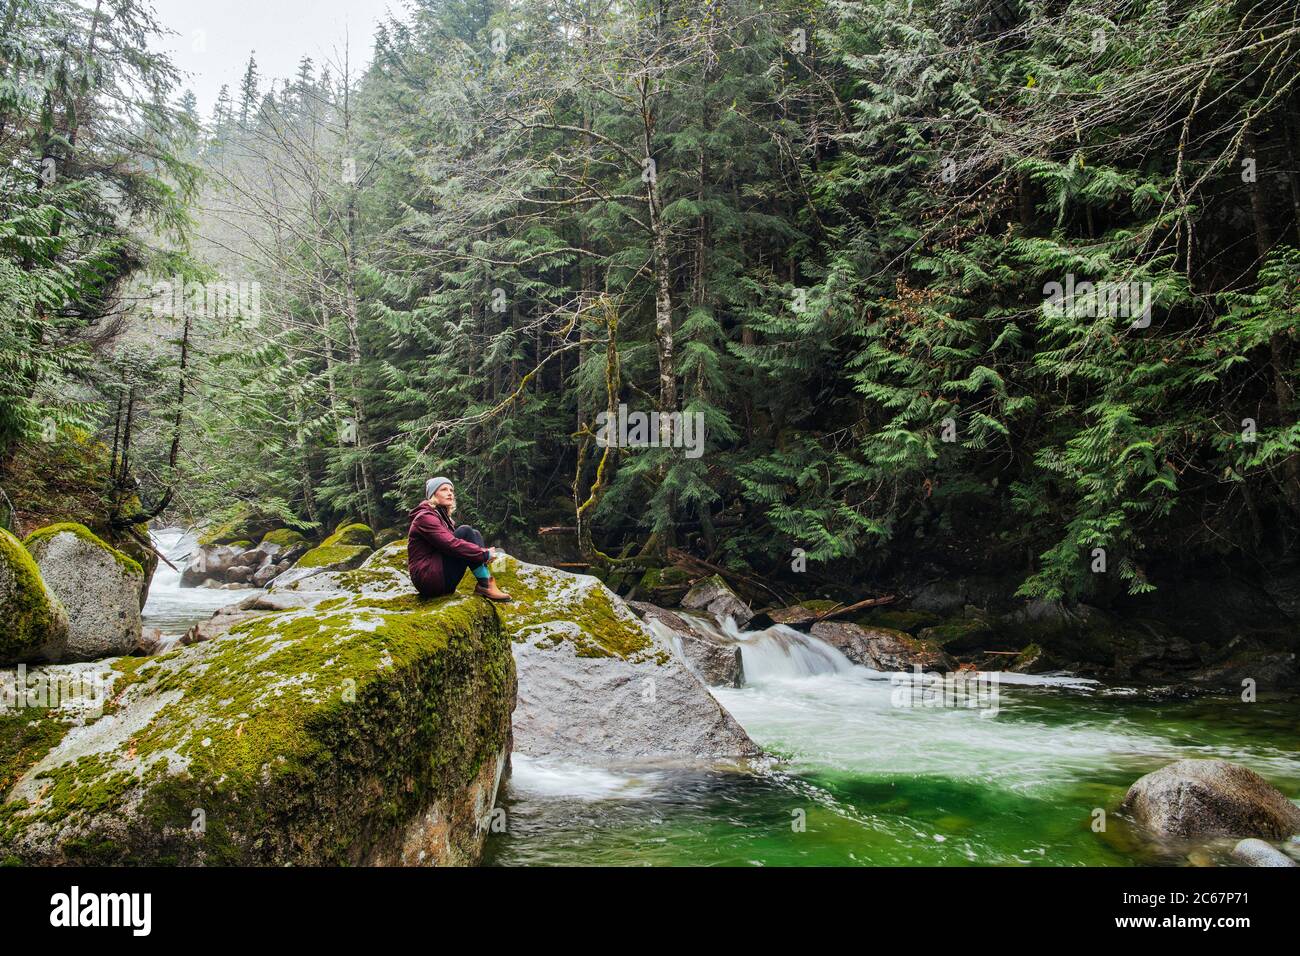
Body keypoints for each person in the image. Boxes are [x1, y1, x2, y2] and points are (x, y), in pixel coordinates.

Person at [407, 477, 513, 602]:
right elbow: (450, 544)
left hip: (440, 577)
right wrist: (483, 554)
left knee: (475, 533)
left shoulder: (442, 517)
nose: (450, 493)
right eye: (444, 489)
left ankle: (486, 583)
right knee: (466, 531)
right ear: (433, 494)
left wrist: (482, 552)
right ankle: (485, 584)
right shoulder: (424, 517)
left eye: (451, 490)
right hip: (428, 580)